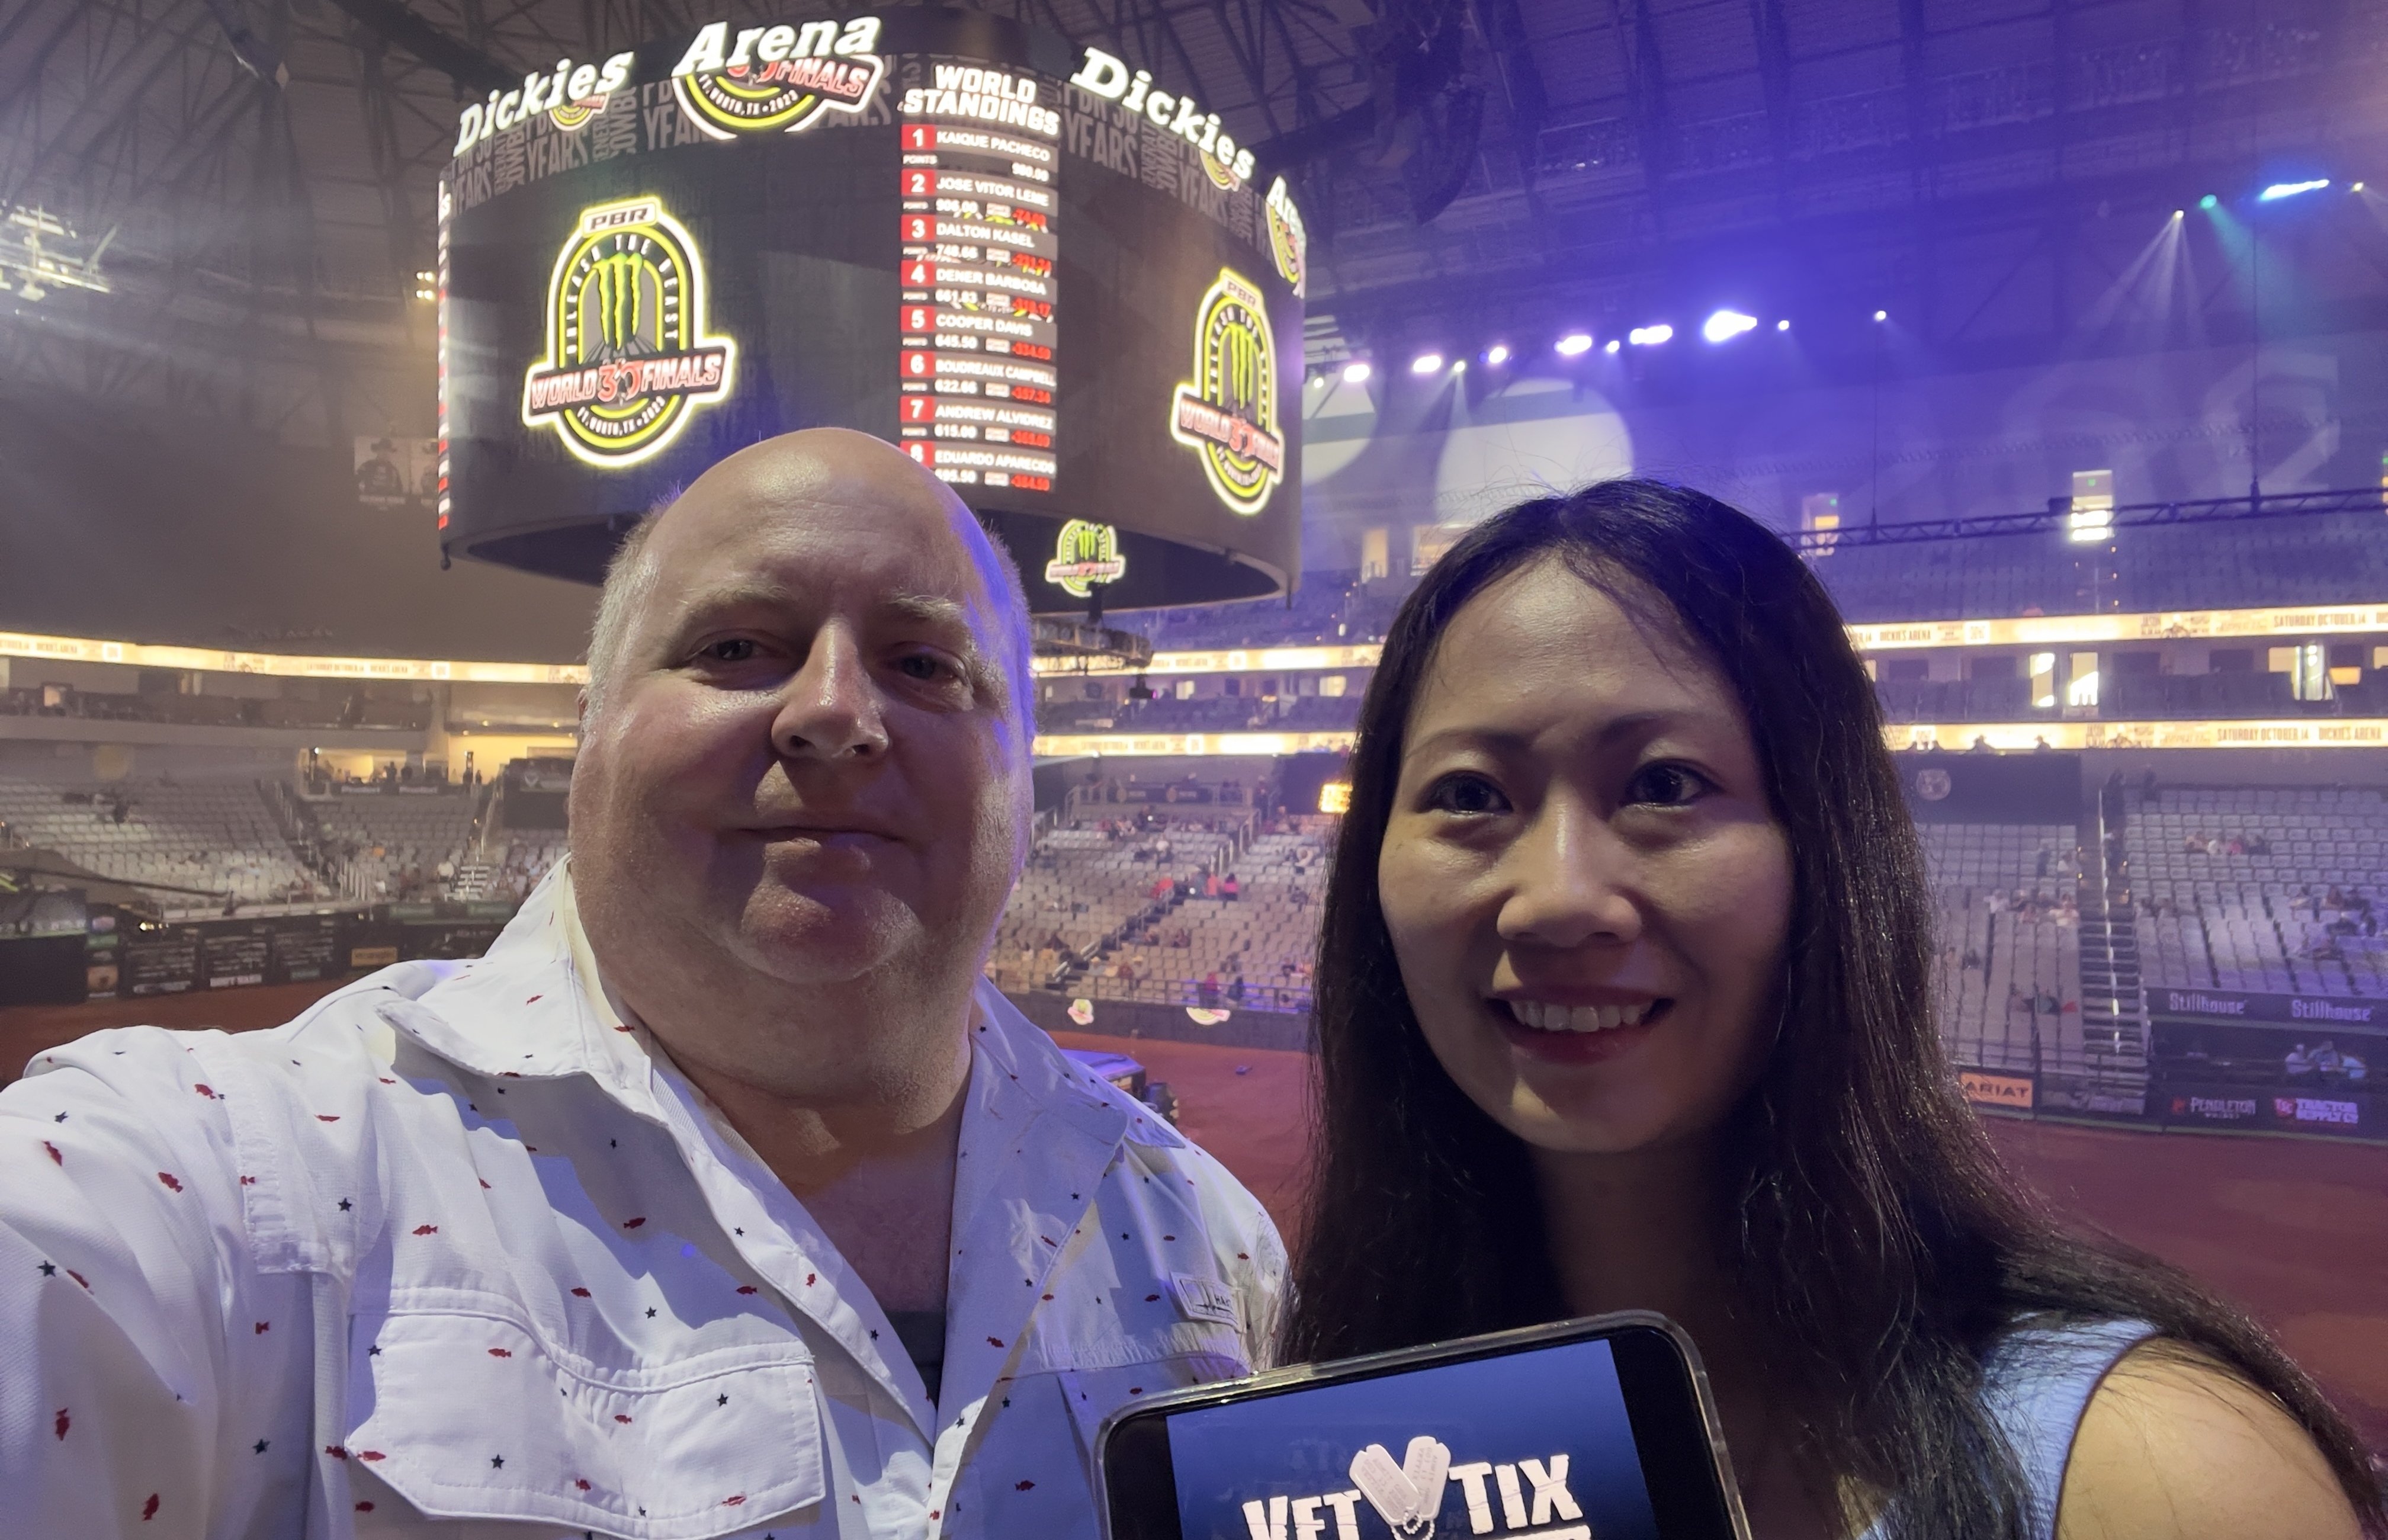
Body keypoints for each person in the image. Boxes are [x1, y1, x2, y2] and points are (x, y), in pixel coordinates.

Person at [0, 430, 1283, 1536]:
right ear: (590, 732)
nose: (835, 711)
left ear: (1025, 771)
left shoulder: (1216, 1249)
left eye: (926, 665)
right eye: (737, 645)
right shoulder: (228, 1181)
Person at [1289, 482, 2376, 1540]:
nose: (1560, 899)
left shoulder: (2164, 1480)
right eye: (1470, 795)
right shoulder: (1309, 1444)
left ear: (1826, 848)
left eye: (1665, 785)